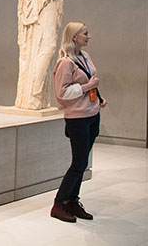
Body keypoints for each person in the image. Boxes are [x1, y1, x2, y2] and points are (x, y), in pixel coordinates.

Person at [50, 21, 106, 223]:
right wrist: (86, 87)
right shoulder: (65, 63)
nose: (88, 36)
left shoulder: (84, 56)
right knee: (79, 163)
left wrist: (98, 98)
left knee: (82, 163)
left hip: (92, 114)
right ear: (74, 37)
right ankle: (59, 203)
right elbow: (62, 92)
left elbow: (90, 80)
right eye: (85, 33)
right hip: (77, 118)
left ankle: (72, 201)